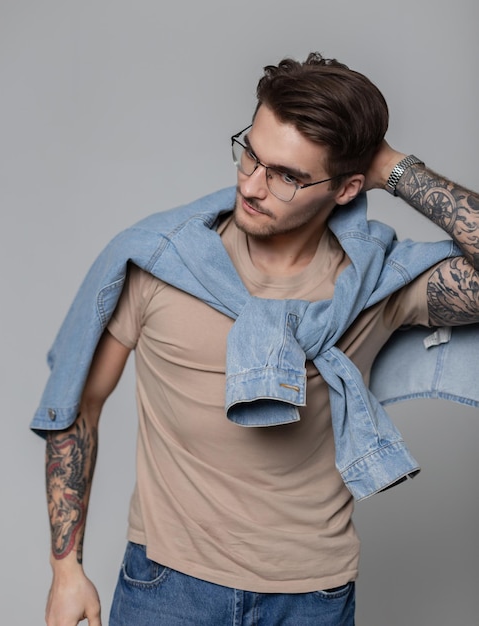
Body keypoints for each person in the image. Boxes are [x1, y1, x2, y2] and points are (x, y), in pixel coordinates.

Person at [36, 53, 479, 626]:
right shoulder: (162, 261)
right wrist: (65, 571)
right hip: (167, 586)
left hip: (313, 596)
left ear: (348, 187)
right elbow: (80, 405)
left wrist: (392, 166)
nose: (251, 185)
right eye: (250, 152)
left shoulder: (377, 285)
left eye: (287, 175)